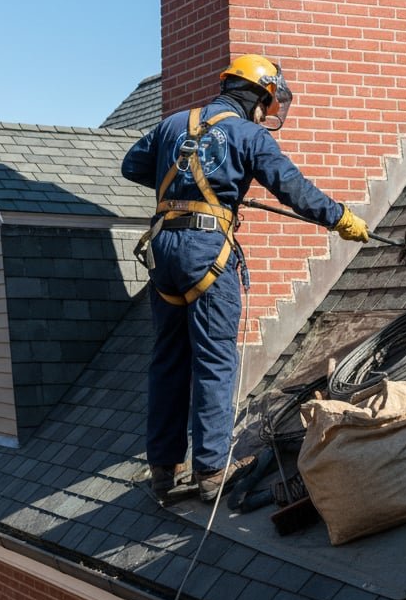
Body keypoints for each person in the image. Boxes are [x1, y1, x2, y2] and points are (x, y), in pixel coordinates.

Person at [121, 54, 370, 503]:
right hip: (205, 253)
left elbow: (132, 166)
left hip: (164, 253)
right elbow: (293, 189)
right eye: (270, 102)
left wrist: (193, 192)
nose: (268, 112)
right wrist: (341, 218)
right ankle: (212, 471)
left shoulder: (174, 123)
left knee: (168, 360)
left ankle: (163, 469)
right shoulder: (247, 133)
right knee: (216, 359)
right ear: (260, 94)